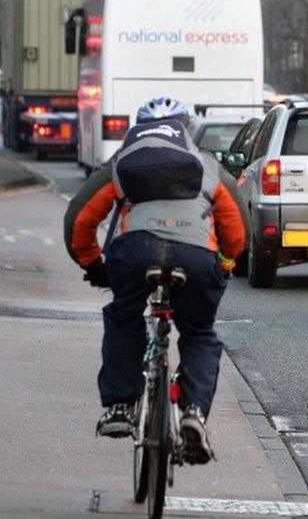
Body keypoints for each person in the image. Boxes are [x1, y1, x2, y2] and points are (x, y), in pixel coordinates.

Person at [63, 97, 247, 464]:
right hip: (195, 255)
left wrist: (92, 263)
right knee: (198, 333)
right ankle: (194, 413)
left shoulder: (122, 162)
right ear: (187, 130)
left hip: (136, 252)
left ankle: (119, 407)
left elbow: (79, 220)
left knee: (123, 315)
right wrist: (225, 263)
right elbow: (236, 224)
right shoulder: (207, 166)